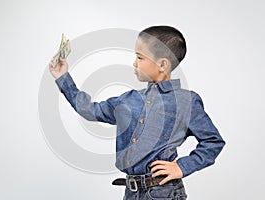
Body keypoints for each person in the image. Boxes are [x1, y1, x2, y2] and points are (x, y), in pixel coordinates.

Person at [49, 26, 225, 200]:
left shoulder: (187, 102)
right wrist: (62, 77)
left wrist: (182, 166)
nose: (134, 63)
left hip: (164, 193)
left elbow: (213, 141)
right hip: (131, 193)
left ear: (162, 64)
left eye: (140, 57)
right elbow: (89, 110)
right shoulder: (127, 100)